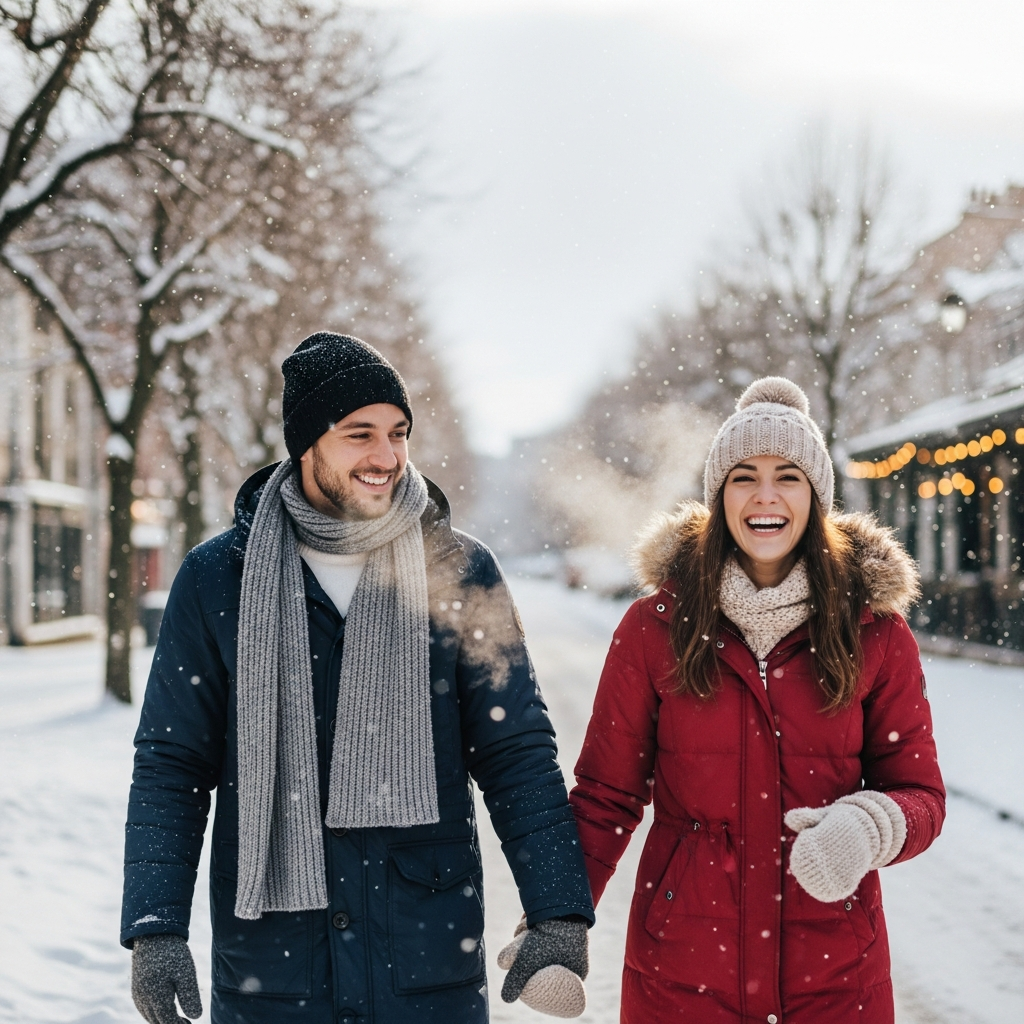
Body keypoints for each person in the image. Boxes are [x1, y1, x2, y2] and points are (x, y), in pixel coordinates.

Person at [121, 332, 593, 1024]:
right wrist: (156, 924)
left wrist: (557, 909)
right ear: (306, 443)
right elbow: (172, 763)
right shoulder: (217, 577)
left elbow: (515, 749)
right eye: (360, 434)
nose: (387, 457)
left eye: (398, 433)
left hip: (424, 959)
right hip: (275, 972)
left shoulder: (461, 571)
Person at [569, 377, 945, 1024]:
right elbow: (607, 795)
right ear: (719, 495)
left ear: (816, 496)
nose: (765, 496)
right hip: (681, 976)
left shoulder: (875, 632)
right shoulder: (654, 627)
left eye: (788, 476)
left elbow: (921, 794)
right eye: (744, 476)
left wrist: (872, 824)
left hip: (834, 981)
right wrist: (558, 916)